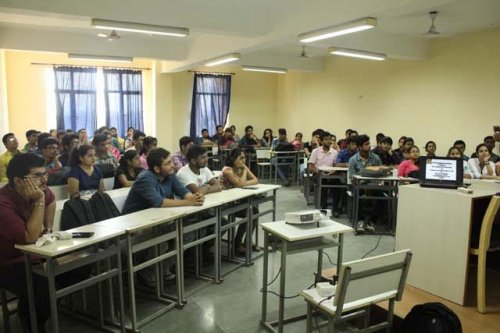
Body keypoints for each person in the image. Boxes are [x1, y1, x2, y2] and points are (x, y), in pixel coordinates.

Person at [0, 153, 55, 332]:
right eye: (37, 176)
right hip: (8, 264)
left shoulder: (43, 191)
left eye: (45, 174)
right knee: (43, 286)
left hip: (34, 256)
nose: (44, 179)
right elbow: (29, 237)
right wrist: (39, 201)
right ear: (18, 180)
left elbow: (51, 198)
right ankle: (32, 321)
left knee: (79, 267)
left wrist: (48, 229)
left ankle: (33, 312)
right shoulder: (3, 202)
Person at [122, 148, 204, 214]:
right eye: (167, 163)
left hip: (155, 216)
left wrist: (195, 198)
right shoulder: (146, 178)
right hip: (134, 219)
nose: (172, 165)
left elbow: (183, 191)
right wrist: (188, 202)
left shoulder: (170, 174)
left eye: (171, 161)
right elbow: (159, 202)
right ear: (157, 169)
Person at [221, 148, 259, 254]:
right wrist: (245, 172)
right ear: (233, 159)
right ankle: (237, 244)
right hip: (224, 204)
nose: (243, 160)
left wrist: (244, 171)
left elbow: (256, 180)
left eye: (244, 158)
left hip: (236, 201)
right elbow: (240, 184)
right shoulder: (227, 170)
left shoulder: (242, 167)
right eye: (241, 158)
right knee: (249, 212)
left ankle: (246, 242)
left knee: (254, 211)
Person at [348, 134, 383, 232]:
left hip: (374, 186)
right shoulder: (353, 160)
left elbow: (382, 172)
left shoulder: (375, 158)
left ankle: (366, 221)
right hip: (358, 186)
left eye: (369, 143)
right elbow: (351, 177)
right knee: (363, 193)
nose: (369, 146)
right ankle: (364, 221)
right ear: (359, 147)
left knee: (374, 192)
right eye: (366, 144)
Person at [308, 131, 340, 214]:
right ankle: (324, 208)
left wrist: (333, 172)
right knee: (323, 184)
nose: (329, 141)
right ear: (321, 141)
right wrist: (319, 172)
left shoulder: (334, 152)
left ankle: (335, 209)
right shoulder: (316, 151)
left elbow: (336, 166)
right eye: (326, 139)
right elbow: (311, 167)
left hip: (331, 174)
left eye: (329, 139)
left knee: (337, 184)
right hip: (318, 174)